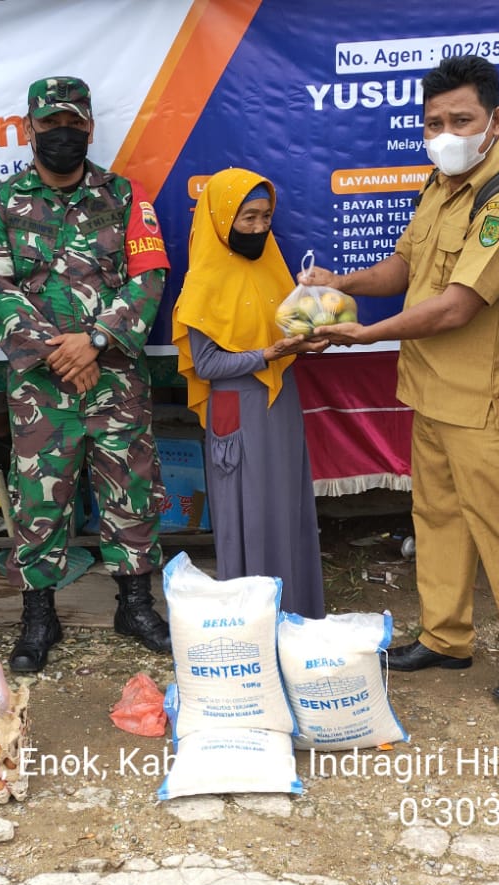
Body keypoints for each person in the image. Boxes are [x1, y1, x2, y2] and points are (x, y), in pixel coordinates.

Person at [309, 56, 499, 704]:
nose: (446, 132)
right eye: (434, 122)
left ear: (495, 121)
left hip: (489, 397)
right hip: (429, 389)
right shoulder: (439, 184)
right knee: (438, 518)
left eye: (461, 119)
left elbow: (458, 303)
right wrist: (340, 285)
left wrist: (366, 334)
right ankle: (447, 637)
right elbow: (404, 266)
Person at [0, 76, 172, 673]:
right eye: (50, 124)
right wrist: (59, 354)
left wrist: (98, 341)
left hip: (115, 379)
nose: (63, 134)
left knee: (130, 492)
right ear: (29, 128)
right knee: (39, 501)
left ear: (89, 126)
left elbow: (149, 275)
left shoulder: (126, 197)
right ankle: (38, 616)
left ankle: (135, 605)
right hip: (41, 386)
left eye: (73, 124)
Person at [172, 168, 327, 617]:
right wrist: (268, 354)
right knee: (251, 516)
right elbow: (208, 365)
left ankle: (295, 612)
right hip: (237, 408)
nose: (259, 228)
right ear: (222, 219)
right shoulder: (203, 284)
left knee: (286, 506)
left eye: (265, 217)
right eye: (248, 218)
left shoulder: (271, 265)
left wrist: (308, 337)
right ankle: (254, 620)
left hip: (280, 400)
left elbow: (288, 327)